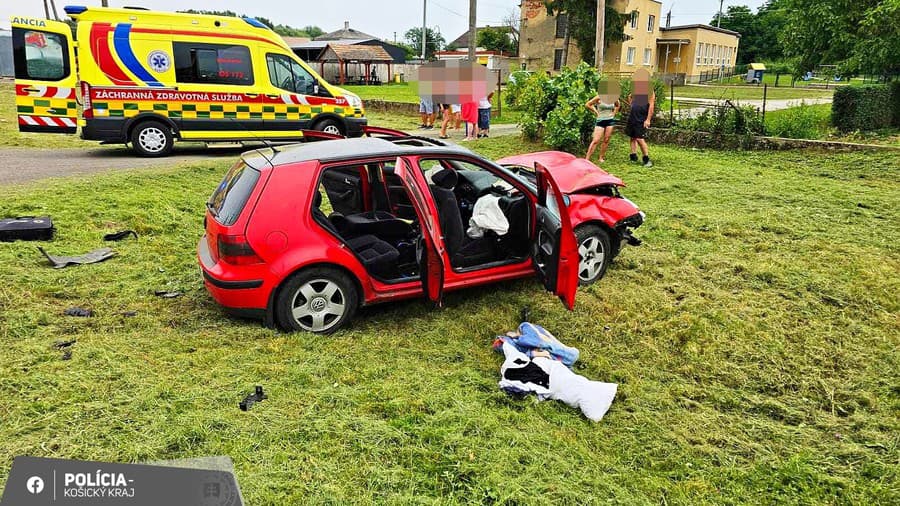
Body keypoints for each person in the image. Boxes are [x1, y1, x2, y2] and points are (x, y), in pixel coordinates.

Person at [585, 80, 620, 163]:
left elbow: (617, 105)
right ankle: (587, 159)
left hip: (610, 121)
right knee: (596, 140)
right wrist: (596, 112)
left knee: (606, 139)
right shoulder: (599, 97)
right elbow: (588, 104)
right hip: (600, 120)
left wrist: (613, 114)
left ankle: (601, 157)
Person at [625, 69, 654, 167]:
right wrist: (632, 105)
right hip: (633, 116)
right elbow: (629, 96)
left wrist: (648, 119)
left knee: (639, 138)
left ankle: (646, 159)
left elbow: (651, 106)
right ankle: (633, 155)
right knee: (632, 136)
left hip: (641, 118)